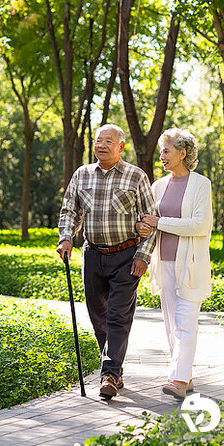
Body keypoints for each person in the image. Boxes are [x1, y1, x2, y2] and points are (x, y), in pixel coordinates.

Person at [57, 124, 156, 399]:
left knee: (117, 316)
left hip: (126, 255)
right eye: (98, 140)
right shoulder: (82, 174)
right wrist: (66, 238)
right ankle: (115, 368)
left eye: (108, 141)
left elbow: (150, 219)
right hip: (93, 254)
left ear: (121, 147)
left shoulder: (136, 177)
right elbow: (69, 210)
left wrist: (143, 256)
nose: (100, 145)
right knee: (98, 315)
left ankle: (110, 374)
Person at [137, 128, 212, 400]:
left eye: (166, 151)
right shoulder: (158, 186)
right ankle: (184, 376)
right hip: (163, 264)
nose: (162, 156)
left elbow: (200, 225)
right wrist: (143, 226)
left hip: (190, 266)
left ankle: (178, 379)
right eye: (161, 151)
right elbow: (149, 221)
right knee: (171, 324)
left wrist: (159, 222)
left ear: (183, 153)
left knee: (185, 322)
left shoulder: (201, 184)